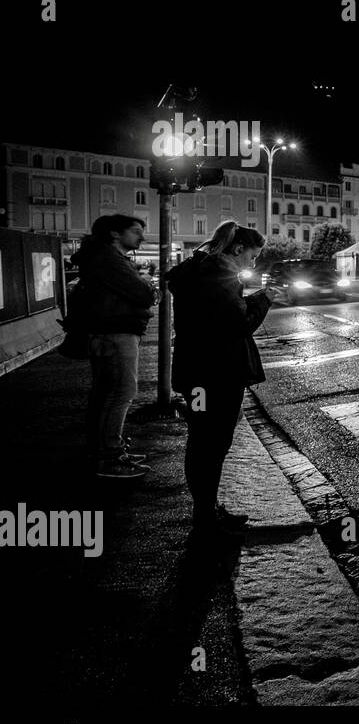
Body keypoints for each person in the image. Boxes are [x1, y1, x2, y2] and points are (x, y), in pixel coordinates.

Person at [165, 221, 271, 535]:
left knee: (201, 439)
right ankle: (206, 516)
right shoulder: (221, 279)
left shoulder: (198, 271)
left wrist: (252, 299)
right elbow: (239, 324)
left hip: (195, 373)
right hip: (218, 374)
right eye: (252, 256)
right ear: (238, 249)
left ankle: (205, 510)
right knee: (213, 443)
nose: (252, 263)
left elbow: (220, 316)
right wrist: (265, 299)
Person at [69, 215, 157, 478]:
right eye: (136, 231)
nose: (141, 237)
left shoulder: (106, 258)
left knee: (106, 393)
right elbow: (144, 294)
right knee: (121, 392)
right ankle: (109, 457)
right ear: (115, 234)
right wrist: (148, 289)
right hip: (115, 332)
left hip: (111, 330)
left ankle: (104, 449)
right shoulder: (109, 259)